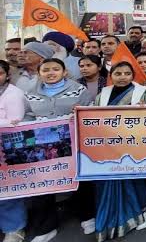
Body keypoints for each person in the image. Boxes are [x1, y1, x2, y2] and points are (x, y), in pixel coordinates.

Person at [23, 58, 88, 242]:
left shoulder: (78, 89)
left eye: (55, 69)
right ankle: (47, 227)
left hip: (73, 143)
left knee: (79, 180)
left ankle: (86, 215)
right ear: (39, 73)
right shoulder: (30, 93)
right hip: (42, 147)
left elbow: (88, 111)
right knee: (43, 184)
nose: (50, 73)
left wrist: (78, 112)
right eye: (46, 70)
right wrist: (27, 126)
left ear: (64, 72)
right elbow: (28, 114)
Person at [93, 62, 146, 240]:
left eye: (127, 73)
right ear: (112, 75)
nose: (122, 77)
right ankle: (111, 217)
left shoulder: (144, 92)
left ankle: (142, 210)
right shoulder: (103, 94)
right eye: (118, 73)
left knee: (136, 178)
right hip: (108, 145)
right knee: (109, 179)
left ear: (133, 75)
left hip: (135, 143)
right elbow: (92, 117)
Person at [0, 59, 27, 242]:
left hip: (5, 147)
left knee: (7, 190)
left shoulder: (14, 94)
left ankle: (14, 228)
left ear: (7, 75)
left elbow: (15, 122)